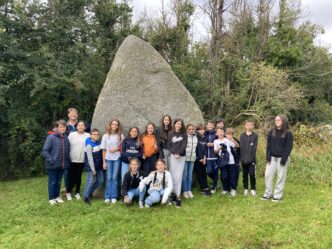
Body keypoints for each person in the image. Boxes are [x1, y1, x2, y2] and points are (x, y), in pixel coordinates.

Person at [262, 114, 293, 202]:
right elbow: (268, 145)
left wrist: (283, 159)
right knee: (268, 175)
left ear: (283, 121)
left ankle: (277, 196)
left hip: (282, 159)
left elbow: (288, 147)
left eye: (279, 120)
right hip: (272, 158)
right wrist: (268, 157)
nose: (277, 121)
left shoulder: (288, 133)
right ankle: (268, 194)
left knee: (281, 177)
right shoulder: (272, 131)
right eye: (276, 120)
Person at [41, 120, 70, 205]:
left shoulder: (65, 137)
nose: (62, 128)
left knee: (58, 182)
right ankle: (51, 198)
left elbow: (67, 151)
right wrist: (51, 160)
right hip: (52, 164)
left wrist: (67, 162)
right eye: (60, 126)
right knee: (52, 181)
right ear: (57, 128)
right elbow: (44, 151)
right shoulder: (51, 137)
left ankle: (57, 197)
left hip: (62, 165)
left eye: (64, 126)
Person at [101, 119, 124, 204]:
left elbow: (122, 148)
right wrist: (103, 162)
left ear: (118, 126)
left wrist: (116, 149)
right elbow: (103, 150)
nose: (114, 126)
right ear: (110, 125)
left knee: (115, 178)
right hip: (108, 159)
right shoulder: (105, 136)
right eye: (113, 124)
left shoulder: (120, 136)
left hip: (117, 158)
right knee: (109, 178)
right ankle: (107, 196)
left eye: (116, 125)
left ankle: (114, 196)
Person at [67, 121, 90, 200]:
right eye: (79, 125)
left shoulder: (88, 135)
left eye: (82, 125)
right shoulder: (72, 134)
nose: (80, 127)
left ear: (85, 127)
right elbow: (67, 146)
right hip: (72, 159)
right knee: (70, 177)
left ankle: (77, 192)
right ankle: (68, 192)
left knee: (78, 177)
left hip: (82, 160)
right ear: (76, 127)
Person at [168, 118, 187, 207]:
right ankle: (172, 194)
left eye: (180, 124)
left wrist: (179, 153)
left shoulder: (184, 134)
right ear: (174, 124)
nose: (178, 125)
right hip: (173, 156)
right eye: (177, 123)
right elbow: (169, 145)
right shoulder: (170, 133)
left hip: (181, 157)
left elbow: (184, 145)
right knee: (172, 175)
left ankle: (178, 195)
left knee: (179, 176)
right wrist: (174, 153)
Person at [214, 128, 238, 197]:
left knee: (232, 175)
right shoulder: (215, 141)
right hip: (222, 161)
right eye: (219, 132)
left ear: (224, 133)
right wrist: (219, 148)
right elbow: (215, 152)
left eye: (222, 131)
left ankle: (233, 189)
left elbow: (236, 146)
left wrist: (232, 139)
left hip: (230, 160)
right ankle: (225, 189)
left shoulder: (227, 140)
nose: (220, 133)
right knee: (224, 176)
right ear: (216, 134)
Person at [83, 129, 103, 205]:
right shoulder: (89, 144)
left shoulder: (97, 142)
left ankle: (89, 192)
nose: (96, 136)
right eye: (94, 134)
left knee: (100, 181)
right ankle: (85, 197)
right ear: (91, 135)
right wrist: (93, 170)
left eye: (97, 134)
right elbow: (90, 158)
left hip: (98, 166)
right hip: (91, 166)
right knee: (90, 181)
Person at [240, 120, 258, 196]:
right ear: (245, 126)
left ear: (253, 126)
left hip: (252, 159)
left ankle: (253, 189)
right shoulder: (242, 135)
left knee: (252, 174)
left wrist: (250, 158)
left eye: (251, 125)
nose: (249, 126)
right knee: (244, 174)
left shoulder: (255, 136)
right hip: (243, 159)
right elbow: (241, 148)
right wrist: (242, 158)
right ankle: (246, 189)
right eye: (247, 125)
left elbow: (254, 148)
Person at [194, 124, 211, 197]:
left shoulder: (205, 138)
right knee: (200, 174)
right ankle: (203, 188)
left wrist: (204, 158)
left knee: (204, 173)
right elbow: (197, 149)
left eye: (203, 129)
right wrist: (200, 158)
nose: (202, 131)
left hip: (204, 159)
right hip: (197, 159)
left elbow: (205, 149)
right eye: (200, 129)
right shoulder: (196, 137)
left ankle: (206, 186)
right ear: (197, 130)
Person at [182, 124, 198, 199]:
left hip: (192, 158)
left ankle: (189, 190)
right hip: (185, 158)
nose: (191, 130)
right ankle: (185, 191)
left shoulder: (195, 137)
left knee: (190, 175)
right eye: (189, 129)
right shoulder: (184, 137)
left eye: (192, 129)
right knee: (184, 175)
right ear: (187, 130)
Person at [205, 120, 218, 193]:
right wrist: (206, 144)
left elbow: (220, 141)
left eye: (211, 125)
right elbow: (203, 142)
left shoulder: (216, 134)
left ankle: (214, 186)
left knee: (215, 172)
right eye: (208, 125)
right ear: (206, 126)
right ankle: (215, 181)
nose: (210, 126)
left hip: (215, 156)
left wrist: (213, 144)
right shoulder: (205, 133)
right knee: (209, 172)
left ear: (213, 126)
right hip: (208, 157)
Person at [226, 128, 241, 193]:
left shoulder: (235, 140)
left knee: (235, 174)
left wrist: (232, 140)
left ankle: (234, 187)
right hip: (227, 160)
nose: (230, 135)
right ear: (225, 134)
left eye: (231, 134)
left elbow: (238, 146)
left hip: (235, 159)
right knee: (227, 174)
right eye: (228, 134)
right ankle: (228, 187)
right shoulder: (224, 140)